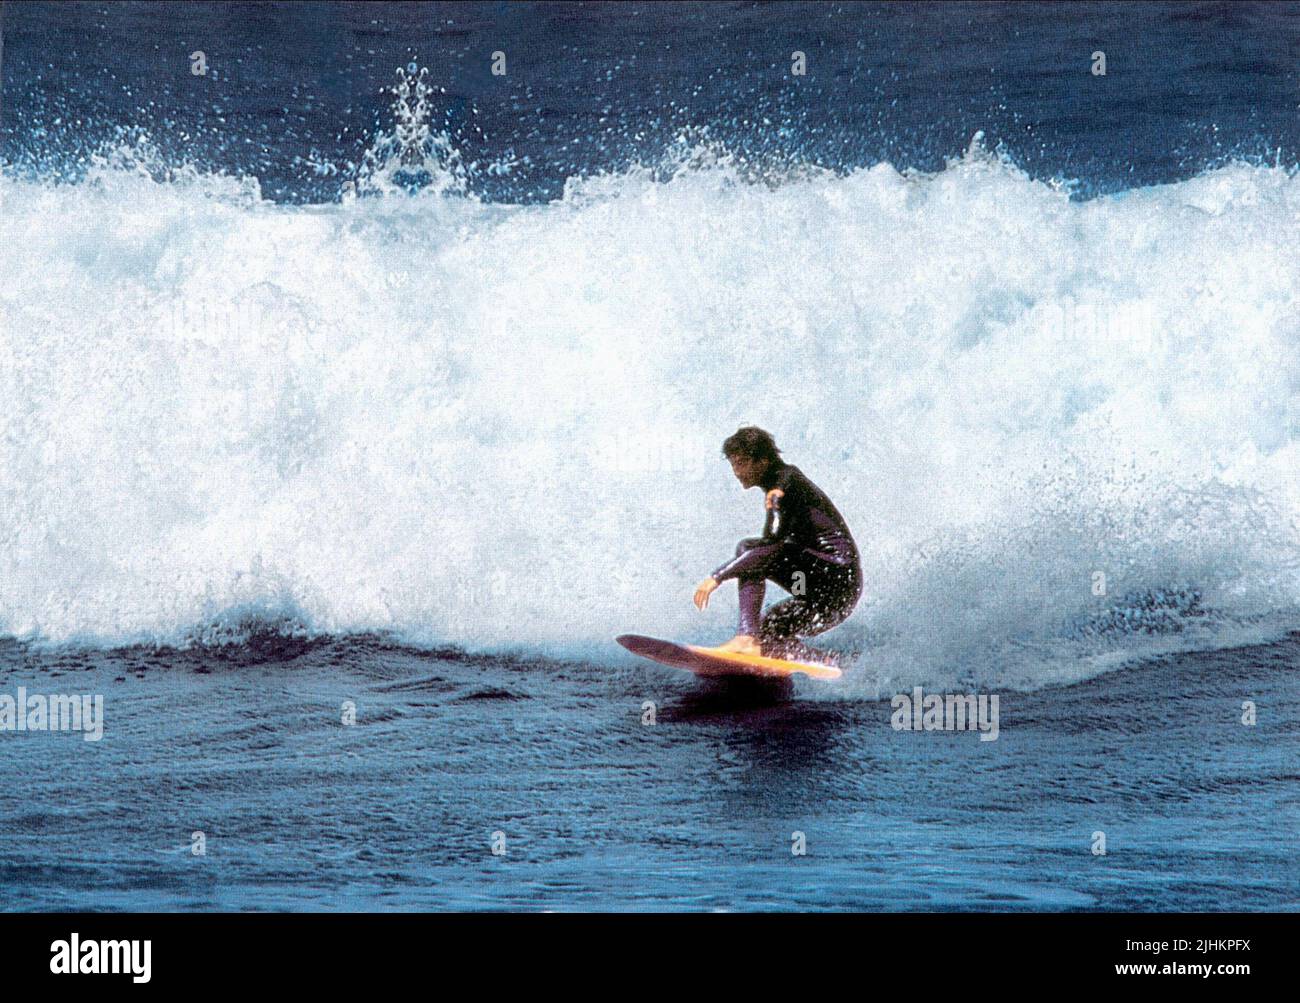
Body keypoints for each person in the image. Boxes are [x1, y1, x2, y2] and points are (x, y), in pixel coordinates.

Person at [693, 426, 861, 661]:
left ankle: (746, 637)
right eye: (733, 465)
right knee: (770, 631)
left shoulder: (783, 486)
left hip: (835, 577)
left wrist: (716, 577)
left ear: (762, 461)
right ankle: (831, 662)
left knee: (748, 550)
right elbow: (772, 543)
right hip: (826, 595)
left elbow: (772, 546)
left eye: (741, 463)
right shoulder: (780, 485)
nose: (737, 472)